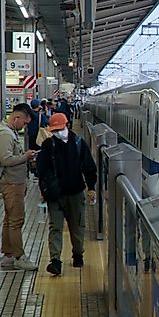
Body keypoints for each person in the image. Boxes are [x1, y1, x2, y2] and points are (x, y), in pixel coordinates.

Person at [37, 113, 97, 275]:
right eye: (55, 130)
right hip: (55, 195)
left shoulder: (78, 143)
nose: (58, 132)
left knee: (77, 226)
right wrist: (43, 190)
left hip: (76, 192)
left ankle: (78, 254)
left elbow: (89, 167)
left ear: (67, 125)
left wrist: (91, 187)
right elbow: (42, 170)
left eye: (60, 129)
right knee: (55, 227)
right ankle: (55, 261)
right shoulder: (48, 145)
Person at [0, 103, 38, 270]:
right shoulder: (6, 134)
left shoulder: (8, 132)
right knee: (16, 221)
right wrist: (26, 156)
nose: (24, 126)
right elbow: (6, 159)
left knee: (9, 219)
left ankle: (8, 255)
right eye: (24, 123)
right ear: (16, 117)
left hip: (12, 181)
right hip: (12, 183)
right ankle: (19, 257)